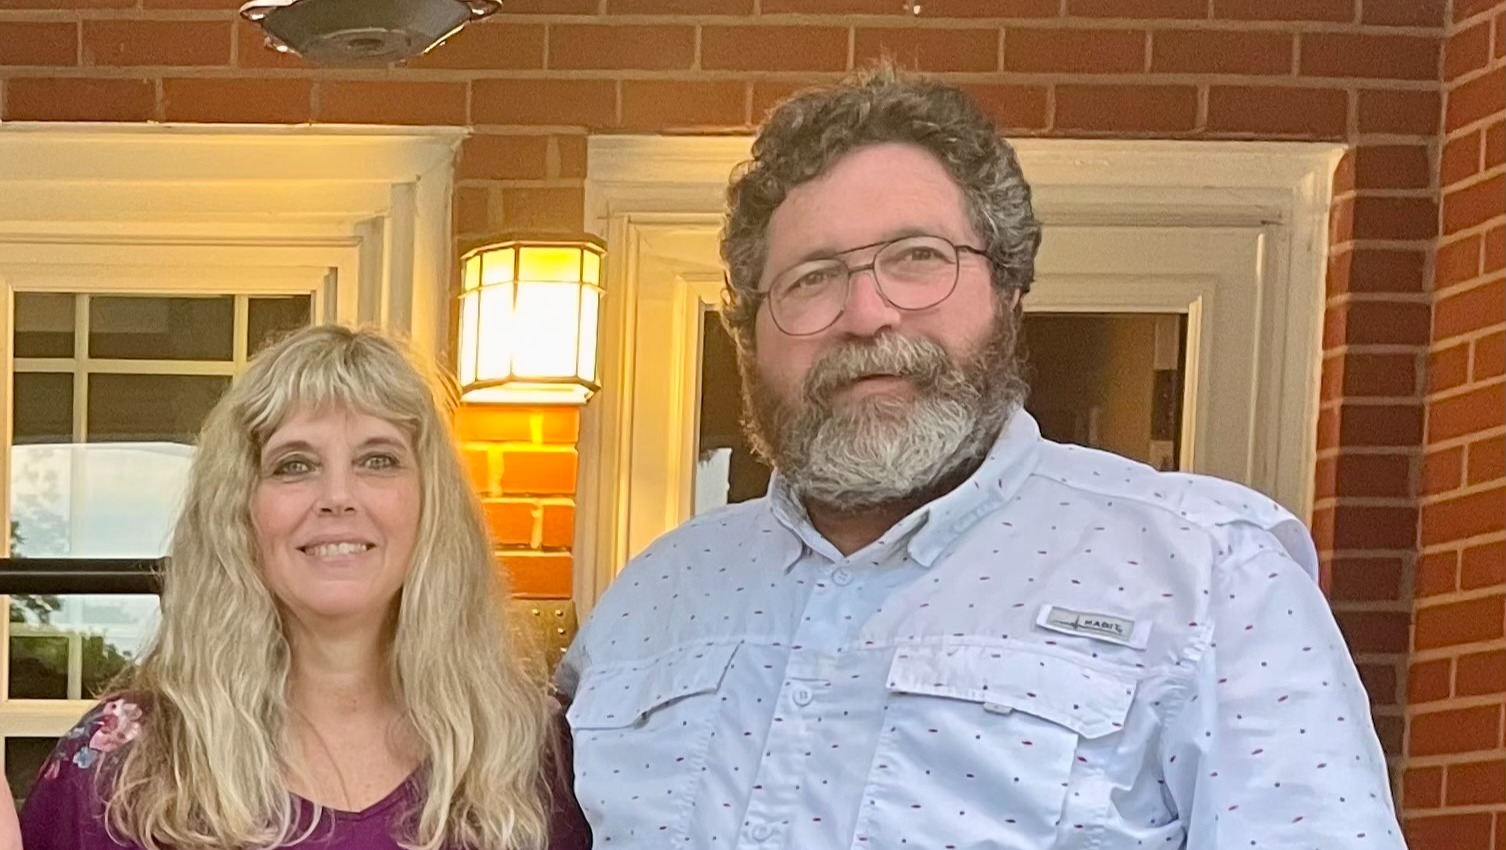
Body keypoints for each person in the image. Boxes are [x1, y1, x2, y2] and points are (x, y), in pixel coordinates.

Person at [558, 64, 1404, 849]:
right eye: (811, 277)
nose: (867, 314)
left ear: (1007, 288)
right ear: (749, 333)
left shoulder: (1210, 575)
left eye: (916, 258)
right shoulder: (652, 596)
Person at [21, 325, 590, 850]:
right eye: (294, 465)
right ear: (238, 512)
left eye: (378, 459)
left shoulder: (531, 755)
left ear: (431, 505)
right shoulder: (122, 768)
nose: (338, 496)